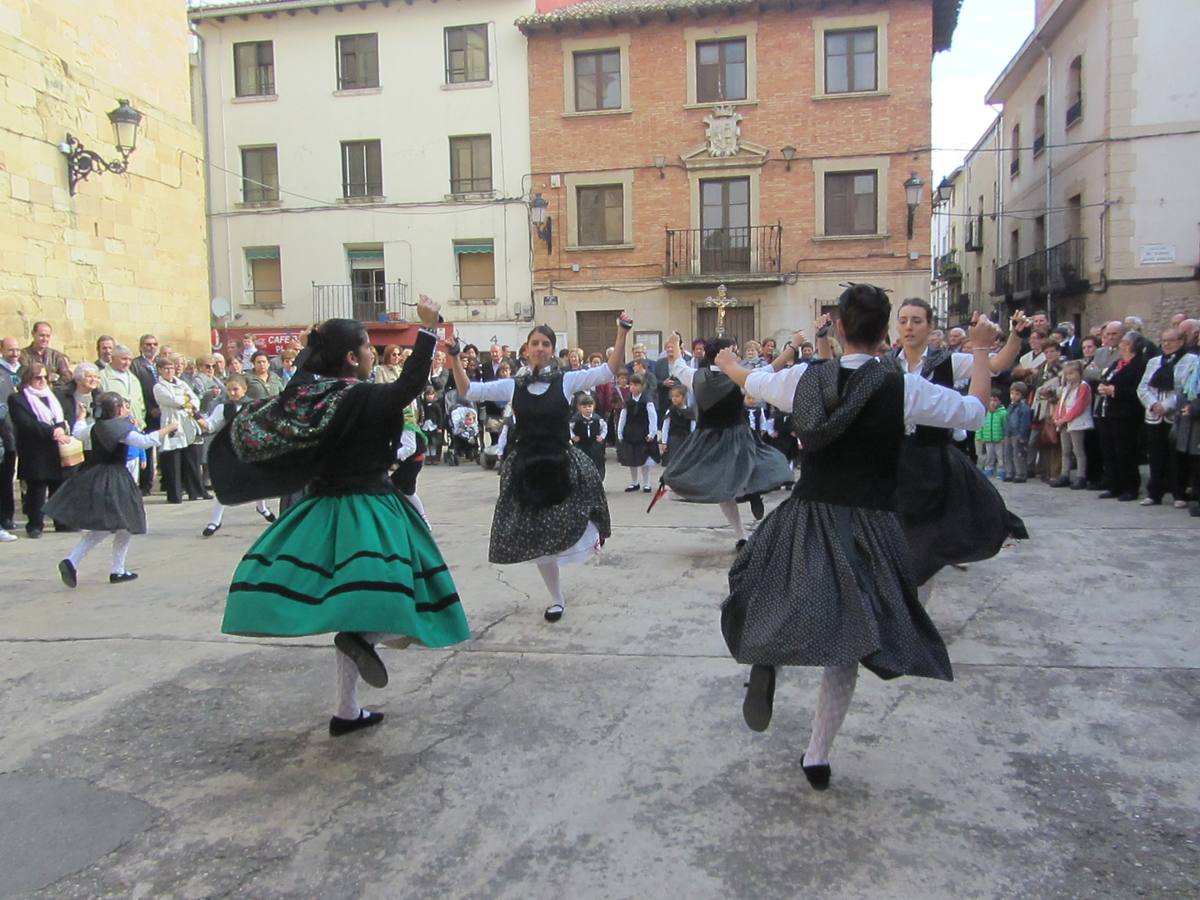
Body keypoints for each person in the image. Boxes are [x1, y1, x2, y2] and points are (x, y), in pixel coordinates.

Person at [713, 284, 999, 789]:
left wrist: (731, 362)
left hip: (808, 514)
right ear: (886, 332)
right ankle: (817, 755)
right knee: (849, 641)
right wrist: (979, 348)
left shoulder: (803, 378)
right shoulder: (902, 388)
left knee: (767, 591)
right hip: (869, 524)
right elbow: (976, 411)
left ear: (839, 328)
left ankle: (766, 655)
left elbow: (750, 380)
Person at [215, 296, 466, 736]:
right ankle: (365, 640)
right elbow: (405, 389)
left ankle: (346, 710)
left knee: (352, 605)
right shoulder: (357, 395)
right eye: (368, 347)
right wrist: (428, 331)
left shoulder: (307, 396)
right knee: (397, 596)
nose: (373, 354)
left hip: (320, 509)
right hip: (367, 509)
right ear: (352, 357)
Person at [450, 314, 631, 622]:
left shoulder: (567, 380)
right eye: (535, 343)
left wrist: (621, 332)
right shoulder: (513, 385)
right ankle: (556, 598)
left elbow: (609, 370)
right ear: (526, 349)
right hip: (527, 470)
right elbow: (468, 390)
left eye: (546, 344)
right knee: (538, 541)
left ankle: (589, 539)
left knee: (577, 516)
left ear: (552, 349)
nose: (540, 348)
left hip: (561, 463)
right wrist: (454, 357)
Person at [886, 298, 1026, 587]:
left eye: (916, 320)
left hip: (932, 458)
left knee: (929, 537)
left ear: (930, 326)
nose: (908, 327)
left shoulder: (947, 360)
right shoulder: (886, 363)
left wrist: (1015, 337)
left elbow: (995, 364)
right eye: (903, 320)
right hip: (894, 459)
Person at [662, 334, 792, 548]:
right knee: (753, 470)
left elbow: (677, 364)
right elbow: (773, 368)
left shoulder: (696, 376)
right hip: (732, 436)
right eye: (733, 350)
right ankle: (743, 527)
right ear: (722, 355)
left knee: (731, 482)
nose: (737, 354)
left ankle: (744, 518)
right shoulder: (738, 377)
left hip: (713, 438)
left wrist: (676, 344)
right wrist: (793, 346)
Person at [48, 393, 179, 587]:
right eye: (124, 406)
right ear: (117, 409)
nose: (127, 409)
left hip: (94, 476)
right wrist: (168, 428)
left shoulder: (95, 427)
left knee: (106, 526)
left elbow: (78, 432)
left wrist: (81, 417)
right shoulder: (119, 428)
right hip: (115, 478)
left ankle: (74, 561)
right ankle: (116, 570)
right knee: (124, 523)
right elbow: (144, 441)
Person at [200, 376, 274, 536]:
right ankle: (215, 520)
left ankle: (262, 507)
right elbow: (211, 424)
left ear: (244, 389)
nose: (232, 393)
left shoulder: (255, 406)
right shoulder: (222, 407)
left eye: (236, 389)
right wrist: (196, 417)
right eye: (229, 389)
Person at [6, 363, 68, 537]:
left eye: (44, 377)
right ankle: (35, 524)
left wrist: (61, 428)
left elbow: (60, 417)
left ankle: (61, 522)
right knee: (37, 490)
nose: (42, 381)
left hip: (56, 448)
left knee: (58, 487)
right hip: (34, 451)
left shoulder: (52, 396)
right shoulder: (18, 399)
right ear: (27, 379)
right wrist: (53, 431)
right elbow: (26, 424)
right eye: (37, 377)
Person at [1138, 329, 1188, 507]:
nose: (1167, 344)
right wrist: (1153, 404)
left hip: (1175, 415)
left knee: (1176, 457)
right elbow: (1143, 387)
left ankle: (1178, 493)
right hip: (1153, 415)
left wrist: (1166, 406)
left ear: (1181, 342)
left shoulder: (1190, 360)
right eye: (1164, 341)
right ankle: (1154, 493)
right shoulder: (1153, 362)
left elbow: (1186, 388)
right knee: (1156, 455)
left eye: (1171, 340)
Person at [1095, 332, 1147, 501]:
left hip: (1126, 414)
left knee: (1125, 451)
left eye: (1124, 342)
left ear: (1133, 346)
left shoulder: (1139, 365)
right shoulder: (1118, 363)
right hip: (1107, 411)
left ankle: (1130, 488)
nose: (1120, 345)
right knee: (1109, 450)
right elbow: (1104, 378)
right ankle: (1113, 485)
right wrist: (1103, 386)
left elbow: (1138, 390)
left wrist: (1115, 391)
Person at [153, 356, 208, 503]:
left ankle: (194, 491)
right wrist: (185, 400)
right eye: (166, 368)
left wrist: (189, 402)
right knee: (173, 459)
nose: (169, 371)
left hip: (186, 421)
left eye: (171, 368)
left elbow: (194, 398)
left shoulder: (181, 383)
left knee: (190, 457)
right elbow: (172, 400)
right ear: (160, 370)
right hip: (171, 421)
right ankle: (174, 494)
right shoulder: (159, 386)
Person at [1051, 360, 1093, 489]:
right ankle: (1065, 475)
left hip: (1077, 422)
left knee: (1078, 451)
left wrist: (1064, 419)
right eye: (1066, 374)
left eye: (1071, 373)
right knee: (1066, 451)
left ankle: (1081, 476)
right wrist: (1057, 417)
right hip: (1065, 423)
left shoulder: (1083, 387)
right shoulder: (1066, 388)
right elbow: (1061, 404)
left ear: (1079, 373)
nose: (1068, 377)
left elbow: (1079, 406)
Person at [389, 402, 430, 528]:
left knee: (396, 488)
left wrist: (390, 457)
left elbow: (410, 448)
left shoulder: (405, 421)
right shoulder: (398, 418)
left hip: (413, 460)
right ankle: (420, 520)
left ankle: (422, 521)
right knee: (403, 489)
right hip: (411, 459)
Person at [617, 373, 659, 492]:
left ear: (642, 386)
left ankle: (647, 483)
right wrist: (620, 432)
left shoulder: (647, 400)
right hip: (630, 432)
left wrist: (652, 433)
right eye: (631, 384)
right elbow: (622, 417)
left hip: (643, 432)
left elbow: (652, 417)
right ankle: (634, 482)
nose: (633, 387)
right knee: (632, 458)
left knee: (645, 459)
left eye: (636, 384)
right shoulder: (628, 401)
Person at [570, 392, 607, 482]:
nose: (587, 409)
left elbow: (604, 427)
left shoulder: (597, 419)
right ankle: (583, 482)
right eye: (584, 407)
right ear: (579, 408)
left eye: (589, 406)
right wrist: (573, 437)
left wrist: (602, 436)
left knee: (598, 463)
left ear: (593, 406)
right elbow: (569, 428)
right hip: (581, 445)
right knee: (581, 463)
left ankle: (598, 481)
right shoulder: (575, 419)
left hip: (595, 445)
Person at [1002, 382, 1032, 483]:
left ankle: (1020, 473)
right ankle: (1009, 472)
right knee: (1007, 453)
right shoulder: (1010, 406)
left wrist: (1022, 435)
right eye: (1012, 393)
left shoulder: (1024, 407)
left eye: (1017, 394)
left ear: (1022, 395)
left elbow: (1025, 423)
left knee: (1018, 454)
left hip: (1017, 434)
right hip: (1008, 433)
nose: (1013, 396)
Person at [658, 384, 695, 467]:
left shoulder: (690, 411)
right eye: (672, 396)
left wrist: (693, 441)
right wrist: (664, 442)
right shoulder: (670, 411)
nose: (674, 398)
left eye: (677, 396)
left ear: (684, 397)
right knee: (673, 463)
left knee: (684, 463)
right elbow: (665, 428)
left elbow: (693, 428)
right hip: (673, 440)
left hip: (686, 440)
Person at [976, 389, 1007, 477]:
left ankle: (1001, 470)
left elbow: (1005, 426)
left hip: (999, 439)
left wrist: (1005, 437)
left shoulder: (1003, 413)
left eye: (995, 400)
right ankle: (989, 468)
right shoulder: (985, 412)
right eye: (991, 400)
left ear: (1000, 401)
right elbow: (980, 425)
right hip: (988, 438)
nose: (993, 403)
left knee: (1000, 456)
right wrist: (980, 436)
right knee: (989, 455)